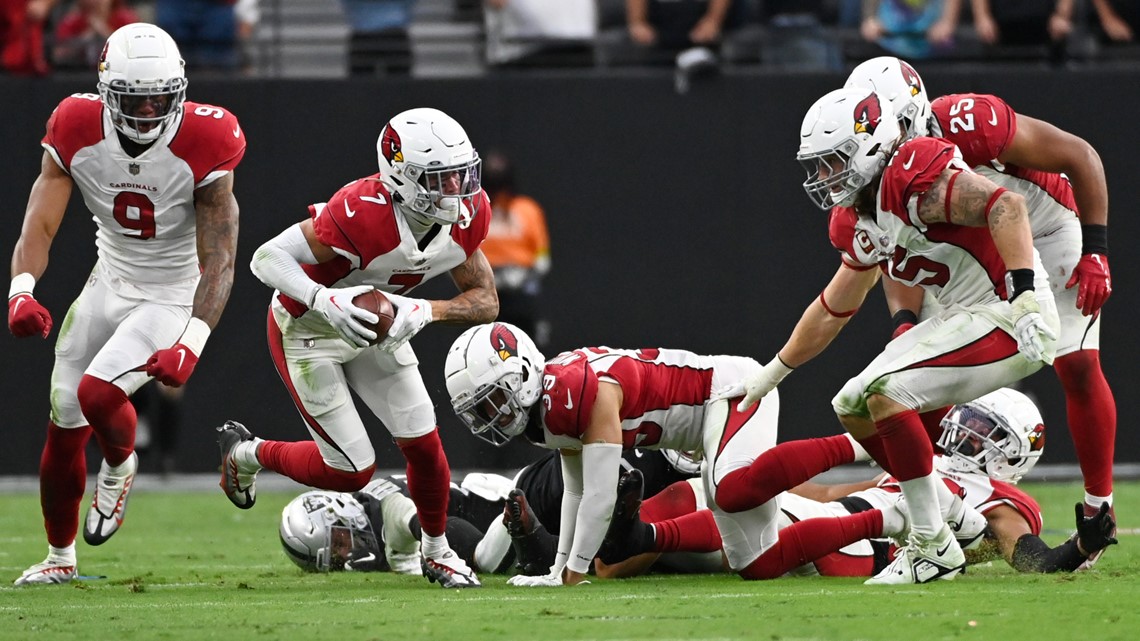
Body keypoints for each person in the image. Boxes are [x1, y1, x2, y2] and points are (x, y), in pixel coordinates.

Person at [737, 85, 1060, 585]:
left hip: (1007, 313)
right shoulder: (860, 219)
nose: (824, 177)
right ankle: (949, 516)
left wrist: (1023, 296)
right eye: (819, 165)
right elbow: (832, 308)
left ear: (869, 147)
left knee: (887, 394)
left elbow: (1007, 206)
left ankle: (932, 545)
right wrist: (771, 374)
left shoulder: (912, 175)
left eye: (834, 161)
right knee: (851, 403)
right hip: (964, 316)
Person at [844, 56, 1118, 567]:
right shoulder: (877, 169)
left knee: (1075, 362)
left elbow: (1079, 154)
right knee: (917, 385)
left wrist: (1096, 248)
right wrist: (904, 326)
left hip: (1045, 228)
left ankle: (1100, 507)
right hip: (976, 253)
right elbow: (896, 253)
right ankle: (932, 513)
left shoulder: (970, 120)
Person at [220, 107, 496, 589]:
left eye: (460, 174)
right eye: (440, 179)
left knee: (426, 447)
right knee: (351, 470)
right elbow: (267, 257)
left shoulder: (469, 215)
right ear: (401, 177)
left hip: (377, 329)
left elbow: (486, 300)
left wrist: (425, 311)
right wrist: (324, 298)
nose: (457, 190)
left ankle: (437, 550)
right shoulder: (363, 213)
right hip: (307, 329)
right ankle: (246, 453)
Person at [9, 23, 244, 586]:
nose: (145, 110)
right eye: (133, 97)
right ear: (105, 90)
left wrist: (191, 340)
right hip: (108, 278)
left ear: (180, 89)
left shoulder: (209, 139)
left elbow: (221, 257)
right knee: (63, 417)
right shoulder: (74, 123)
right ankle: (59, 558)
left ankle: (119, 462)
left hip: (171, 291)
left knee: (97, 392)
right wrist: (21, 289)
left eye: (159, 97)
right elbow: (40, 221)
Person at [443, 321, 928, 585]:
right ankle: (888, 518)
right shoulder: (545, 410)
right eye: (479, 409)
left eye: (493, 399)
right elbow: (576, 490)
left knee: (731, 489)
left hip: (729, 392)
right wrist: (556, 571)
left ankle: (863, 442)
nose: (492, 415)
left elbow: (599, 498)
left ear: (524, 373)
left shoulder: (577, 389)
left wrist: (573, 572)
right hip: (699, 431)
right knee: (756, 565)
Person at [599, 388, 1117, 578]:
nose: (966, 431)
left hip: (863, 544)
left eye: (985, 430)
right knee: (696, 492)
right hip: (836, 514)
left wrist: (1077, 547)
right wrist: (776, 485)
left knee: (752, 518)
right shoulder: (922, 464)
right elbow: (829, 495)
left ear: (1014, 453)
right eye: (970, 419)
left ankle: (641, 541)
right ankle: (604, 545)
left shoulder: (1003, 500)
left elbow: (1030, 558)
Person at [276, 448, 701, 576]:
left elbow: (424, 523)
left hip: (520, 498)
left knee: (479, 557)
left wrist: (428, 544)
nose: (344, 554)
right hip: (517, 528)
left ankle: (679, 464)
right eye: (331, 557)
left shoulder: (380, 499)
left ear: (341, 512)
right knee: (611, 554)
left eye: (337, 542)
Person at [479, 150, 551, 349]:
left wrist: (522, 277)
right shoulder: (475, 210)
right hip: (484, 292)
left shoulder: (528, 209)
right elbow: (459, 256)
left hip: (522, 295)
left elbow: (542, 258)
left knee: (528, 349)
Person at [52, 0, 140, 69]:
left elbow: (135, 51)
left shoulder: (125, 19)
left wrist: (103, 30)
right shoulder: (72, 21)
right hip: (79, 74)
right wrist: (87, 36)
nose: (96, 1)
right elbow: (59, 54)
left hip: (118, 72)